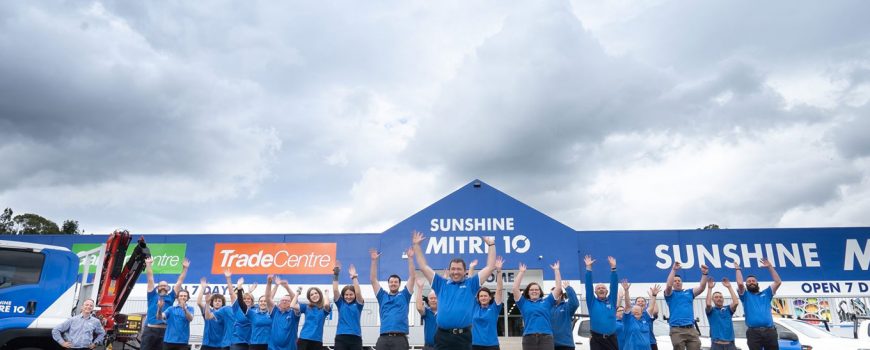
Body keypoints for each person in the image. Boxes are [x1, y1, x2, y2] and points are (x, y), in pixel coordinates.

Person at [412, 230, 497, 350]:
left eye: (458, 269)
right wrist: (416, 246)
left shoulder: (471, 284)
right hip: (442, 336)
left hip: (463, 337)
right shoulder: (440, 283)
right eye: (453, 269)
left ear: (464, 271)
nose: (455, 272)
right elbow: (423, 267)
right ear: (449, 270)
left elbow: (490, 267)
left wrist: (491, 245)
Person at [369, 246, 417, 350]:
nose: (393, 284)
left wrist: (410, 259)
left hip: (400, 339)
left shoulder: (404, 295)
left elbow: (412, 277)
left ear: (399, 284)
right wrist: (374, 261)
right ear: (388, 284)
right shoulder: (382, 296)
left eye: (396, 282)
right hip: (383, 338)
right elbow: (373, 280)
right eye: (391, 282)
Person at [512, 261, 563, 350]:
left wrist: (556, 270)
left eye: (536, 289)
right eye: (531, 290)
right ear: (528, 292)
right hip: (529, 338)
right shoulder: (523, 303)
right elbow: (515, 288)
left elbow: (558, 288)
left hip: (546, 338)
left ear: (540, 292)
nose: (534, 291)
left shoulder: (547, 302)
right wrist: (521, 272)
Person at [142, 257, 189, 350]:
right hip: (150, 330)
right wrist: (148, 264)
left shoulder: (171, 297)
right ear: (157, 287)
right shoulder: (152, 295)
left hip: (165, 331)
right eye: (161, 285)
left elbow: (179, 282)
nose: (163, 286)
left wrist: (185, 268)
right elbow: (150, 279)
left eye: (165, 285)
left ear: (168, 288)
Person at [736, 259, 782, 350]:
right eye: (749, 281)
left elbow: (778, 282)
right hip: (753, 333)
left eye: (753, 281)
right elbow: (740, 284)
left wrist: (770, 267)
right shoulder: (745, 295)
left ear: (757, 283)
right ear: (747, 285)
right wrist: (738, 269)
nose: (751, 282)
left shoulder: (767, 293)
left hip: (770, 332)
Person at [664, 262, 709, 350]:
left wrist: (704, 274)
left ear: (681, 282)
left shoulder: (689, 292)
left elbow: (702, 287)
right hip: (677, 330)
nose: (677, 282)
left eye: (679, 281)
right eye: (675, 281)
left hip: (691, 329)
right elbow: (668, 285)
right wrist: (674, 269)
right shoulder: (670, 294)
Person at [584, 255, 619, 350]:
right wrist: (588, 268)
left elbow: (614, 285)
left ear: (607, 291)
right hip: (597, 340)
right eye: (598, 288)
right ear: (595, 292)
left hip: (612, 339)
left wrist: (613, 268)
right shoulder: (592, 302)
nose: (601, 289)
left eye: (603, 288)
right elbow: (588, 286)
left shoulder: (612, 300)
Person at [472, 256, 505, 350]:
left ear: (490, 297)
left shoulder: (495, 308)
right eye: (481, 296)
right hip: (475, 345)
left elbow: (499, 289)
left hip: (491, 345)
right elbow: (471, 287)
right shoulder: (475, 307)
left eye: (485, 296)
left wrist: (499, 271)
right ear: (478, 298)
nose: (483, 298)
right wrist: (471, 268)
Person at [332, 261, 365, 350]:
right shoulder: (340, 304)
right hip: (341, 337)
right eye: (346, 295)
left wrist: (354, 277)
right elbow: (335, 290)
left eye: (351, 294)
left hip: (356, 338)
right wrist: (336, 274)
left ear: (354, 295)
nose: (348, 297)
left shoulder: (358, 305)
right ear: (343, 295)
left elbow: (358, 292)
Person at [619, 281, 660, 350]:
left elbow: (651, 307)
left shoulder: (645, 317)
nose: (636, 313)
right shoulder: (628, 320)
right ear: (631, 312)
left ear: (642, 312)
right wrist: (626, 291)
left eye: (638, 312)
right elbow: (628, 305)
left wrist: (654, 296)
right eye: (634, 312)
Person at [197, 277, 236, 350]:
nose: (217, 302)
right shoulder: (208, 310)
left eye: (219, 301)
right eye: (215, 301)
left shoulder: (225, 312)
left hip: (220, 344)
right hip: (207, 343)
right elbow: (199, 302)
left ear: (222, 303)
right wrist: (203, 288)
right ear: (212, 302)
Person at [264, 275, 300, 350]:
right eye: (282, 300)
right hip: (273, 348)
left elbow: (295, 300)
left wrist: (287, 287)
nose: (284, 301)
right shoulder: (275, 311)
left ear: (291, 303)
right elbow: (267, 298)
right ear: (279, 302)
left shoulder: (293, 313)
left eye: (287, 300)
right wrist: (269, 283)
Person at [236, 283, 273, 350]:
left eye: (265, 301)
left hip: (269, 345)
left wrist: (273, 284)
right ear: (258, 303)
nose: (263, 303)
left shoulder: (272, 314)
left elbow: (270, 296)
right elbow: (241, 303)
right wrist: (239, 289)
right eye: (261, 301)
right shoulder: (252, 313)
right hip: (255, 345)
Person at [295, 285, 332, 350]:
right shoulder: (306, 307)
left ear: (320, 294)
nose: (314, 295)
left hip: (317, 340)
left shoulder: (323, 309)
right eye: (311, 295)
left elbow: (326, 304)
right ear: (309, 298)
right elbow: (292, 305)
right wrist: (298, 292)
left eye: (316, 293)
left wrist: (326, 294)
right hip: (304, 338)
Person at [705, 278, 739, 350]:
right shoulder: (711, 311)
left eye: (720, 297)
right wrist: (710, 288)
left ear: (723, 299)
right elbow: (708, 304)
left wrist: (729, 287)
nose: (719, 298)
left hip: (730, 345)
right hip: (716, 345)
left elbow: (736, 302)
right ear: (713, 300)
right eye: (716, 297)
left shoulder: (728, 309)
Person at [228, 273, 256, 350]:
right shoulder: (237, 309)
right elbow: (231, 294)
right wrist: (228, 278)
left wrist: (250, 292)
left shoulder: (255, 310)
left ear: (252, 300)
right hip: (238, 342)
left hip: (251, 343)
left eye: (248, 299)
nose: (246, 300)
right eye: (244, 299)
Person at [551, 280, 580, 350]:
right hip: (549, 345)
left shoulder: (567, 307)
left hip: (566, 345)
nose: (553, 296)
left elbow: (575, 303)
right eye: (551, 294)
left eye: (556, 293)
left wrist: (568, 289)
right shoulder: (547, 308)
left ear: (561, 295)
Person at [415, 279, 438, 350]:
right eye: (431, 298)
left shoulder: (444, 312)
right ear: (428, 300)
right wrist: (420, 288)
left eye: (435, 298)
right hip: (428, 347)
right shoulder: (427, 312)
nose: (433, 300)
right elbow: (419, 307)